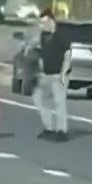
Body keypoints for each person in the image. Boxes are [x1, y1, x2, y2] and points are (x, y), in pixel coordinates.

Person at [33, 8, 71, 141]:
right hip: (46, 75)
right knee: (38, 98)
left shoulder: (61, 36)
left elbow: (68, 55)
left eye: (44, 22)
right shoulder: (44, 36)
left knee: (59, 102)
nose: (42, 26)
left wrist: (63, 73)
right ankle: (49, 128)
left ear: (51, 21)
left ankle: (61, 131)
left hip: (58, 75)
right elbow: (43, 55)